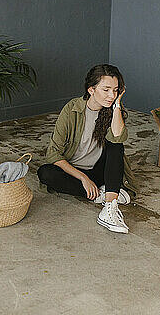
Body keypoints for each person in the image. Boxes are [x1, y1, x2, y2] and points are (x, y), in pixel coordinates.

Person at [37, 64, 134, 234]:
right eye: (106, 90)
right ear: (91, 89)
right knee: (46, 173)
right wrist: (83, 178)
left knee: (115, 145)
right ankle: (107, 192)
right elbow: (53, 153)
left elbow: (118, 137)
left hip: (100, 170)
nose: (111, 95)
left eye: (116, 90)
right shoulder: (72, 109)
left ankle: (109, 209)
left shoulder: (113, 110)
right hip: (74, 172)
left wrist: (117, 105)